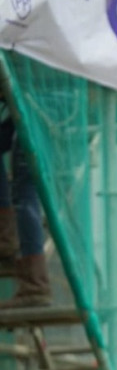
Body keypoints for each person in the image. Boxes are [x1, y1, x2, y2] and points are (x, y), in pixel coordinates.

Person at [0, 110, 51, 308]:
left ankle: (35, 285)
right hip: (32, 103)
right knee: (25, 190)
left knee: (25, 191)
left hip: (38, 105)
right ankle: (5, 237)